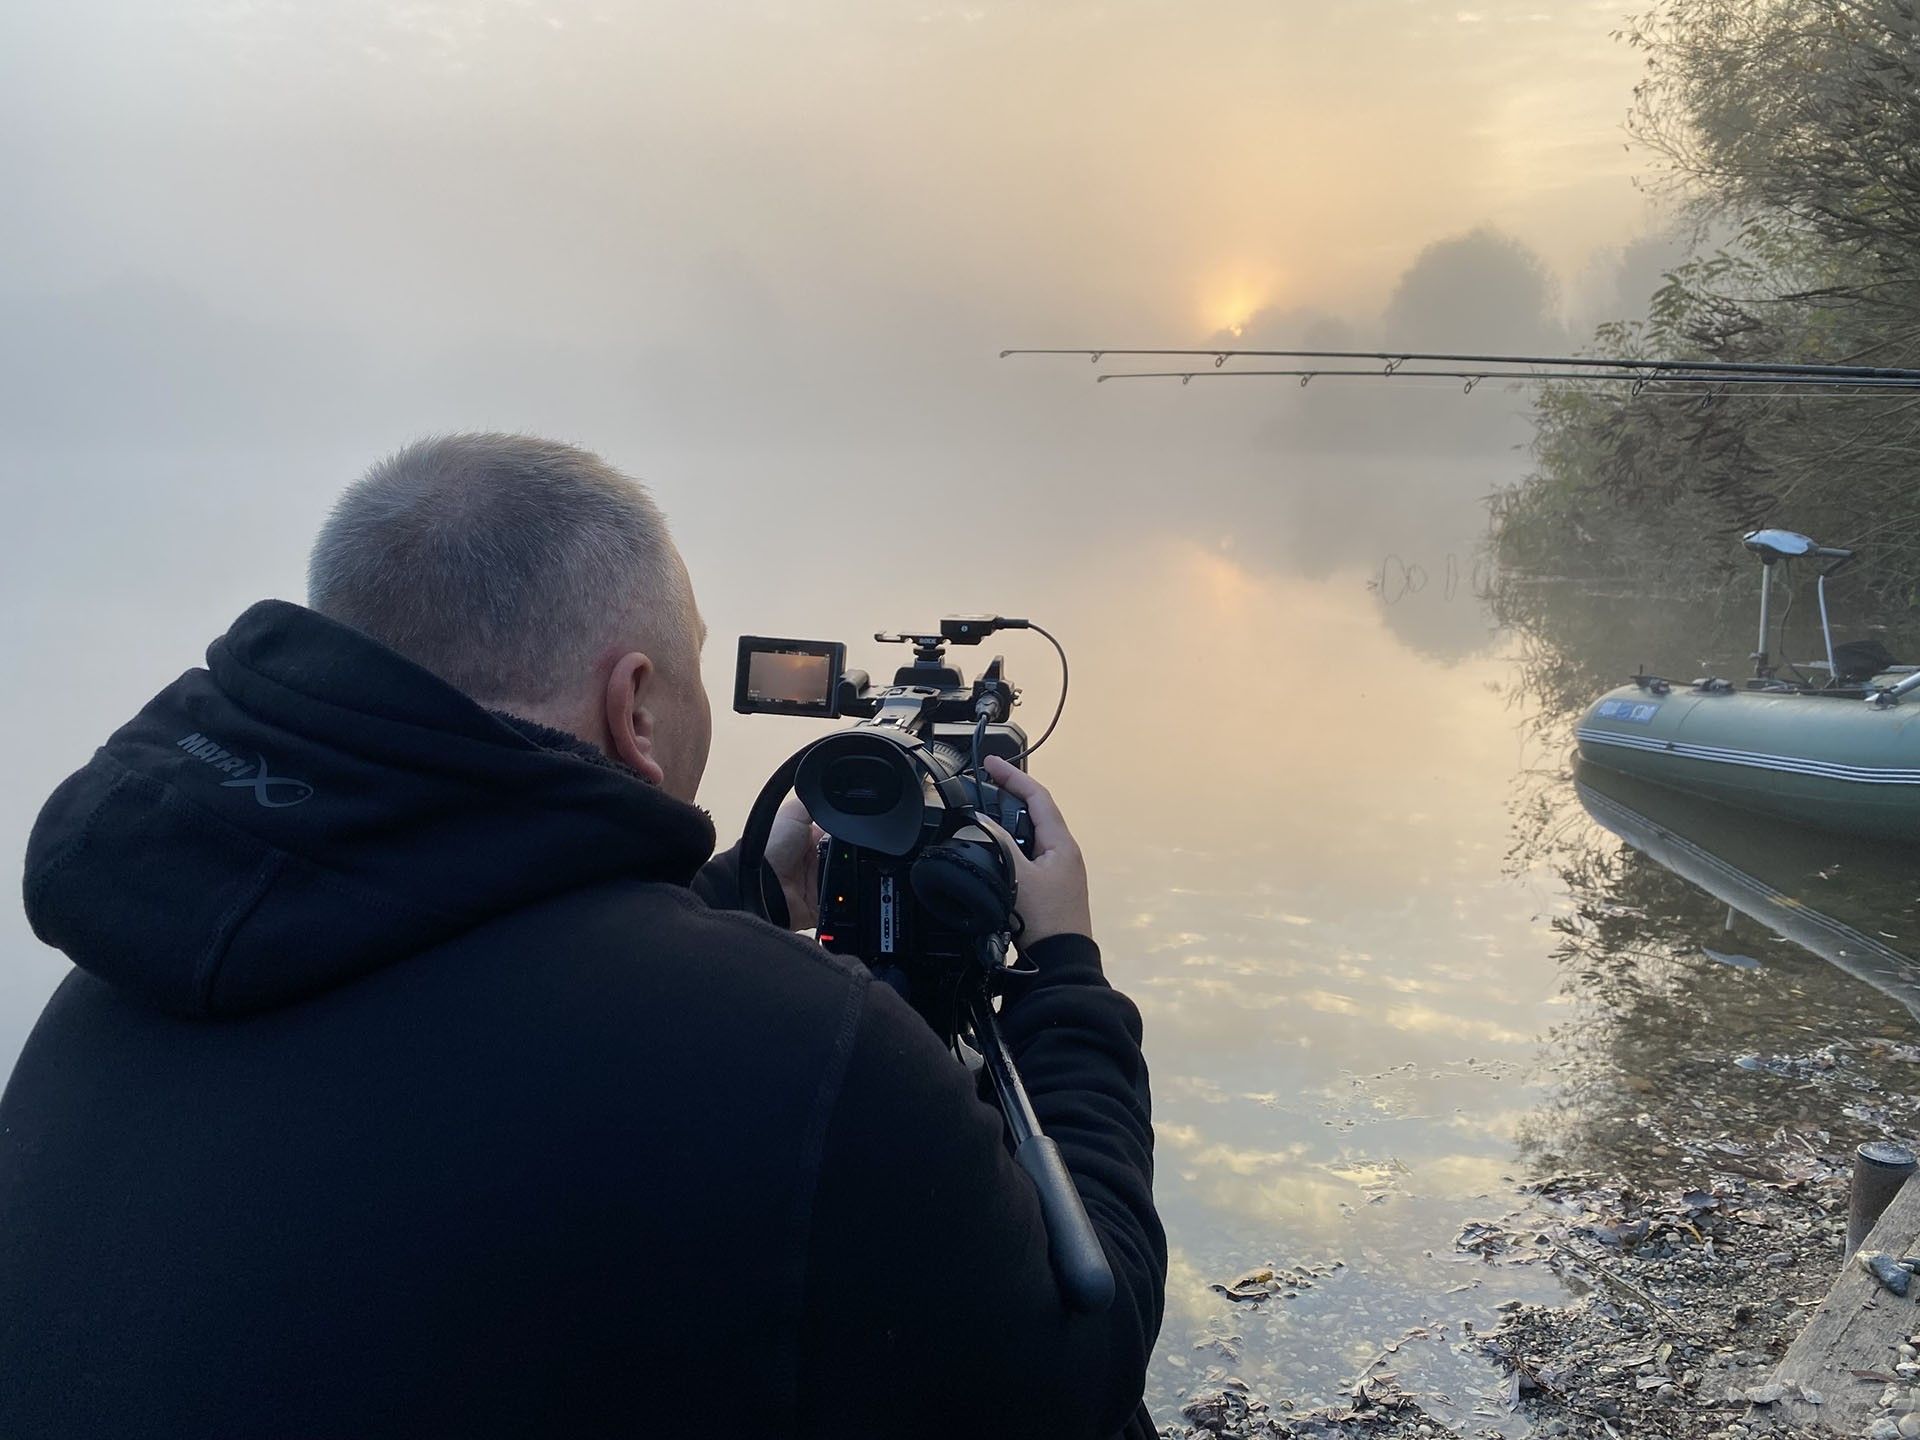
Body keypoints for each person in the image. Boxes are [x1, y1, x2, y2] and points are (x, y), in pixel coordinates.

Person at [1, 433, 1166, 1439]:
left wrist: (740, 893)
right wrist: (1065, 976)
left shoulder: (136, 951)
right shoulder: (801, 1050)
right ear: (637, 703)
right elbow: (1075, 1365)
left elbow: (463, 999)